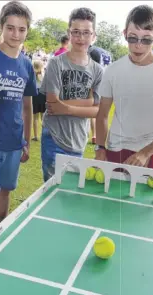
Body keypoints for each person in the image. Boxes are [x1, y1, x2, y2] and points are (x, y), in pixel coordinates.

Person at [0, 0, 37, 240]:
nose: (16, 34)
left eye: (21, 29)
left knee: (5, 190)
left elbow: (27, 105)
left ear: (27, 31)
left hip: (13, 142)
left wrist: (27, 140)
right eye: (10, 27)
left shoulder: (27, 65)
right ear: (1, 26)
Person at [95, 5, 153, 171]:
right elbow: (102, 115)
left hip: (152, 150)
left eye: (146, 39)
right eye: (132, 38)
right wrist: (100, 147)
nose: (138, 45)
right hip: (116, 148)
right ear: (124, 34)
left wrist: (145, 153)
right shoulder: (112, 70)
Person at [40, 7, 103, 182]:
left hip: (78, 140)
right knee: (53, 191)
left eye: (86, 32)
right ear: (69, 33)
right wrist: (89, 102)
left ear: (93, 36)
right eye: (76, 32)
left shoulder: (98, 71)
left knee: (72, 191)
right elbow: (53, 104)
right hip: (54, 136)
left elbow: (98, 111)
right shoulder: (55, 63)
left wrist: (66, 107)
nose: (81, 38)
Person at [88, 42, 112, 144]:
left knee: (93, 110)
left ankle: (94, 135)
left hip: (96, 81)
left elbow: (91, 67)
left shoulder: (91, 51)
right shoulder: (105, 51)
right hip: (107, 81)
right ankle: (101, 137)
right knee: (103, 113)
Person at [32, 60, 46, 141]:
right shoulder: (43, 75)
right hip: (43, 95)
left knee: (35, 117)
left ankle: (36, 136)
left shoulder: (32, 74)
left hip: (35, 95)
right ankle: (44, 134)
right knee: (43, 117)